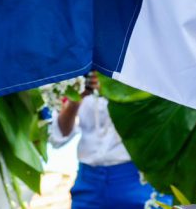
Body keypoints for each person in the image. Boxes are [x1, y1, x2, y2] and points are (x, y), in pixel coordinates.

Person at [50, 72, 171, 209]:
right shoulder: (78, 71)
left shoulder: (139, 69)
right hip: (88, 178)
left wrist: (114, 88)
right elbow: (59, 137)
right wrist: (76, 99)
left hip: (133, 176)